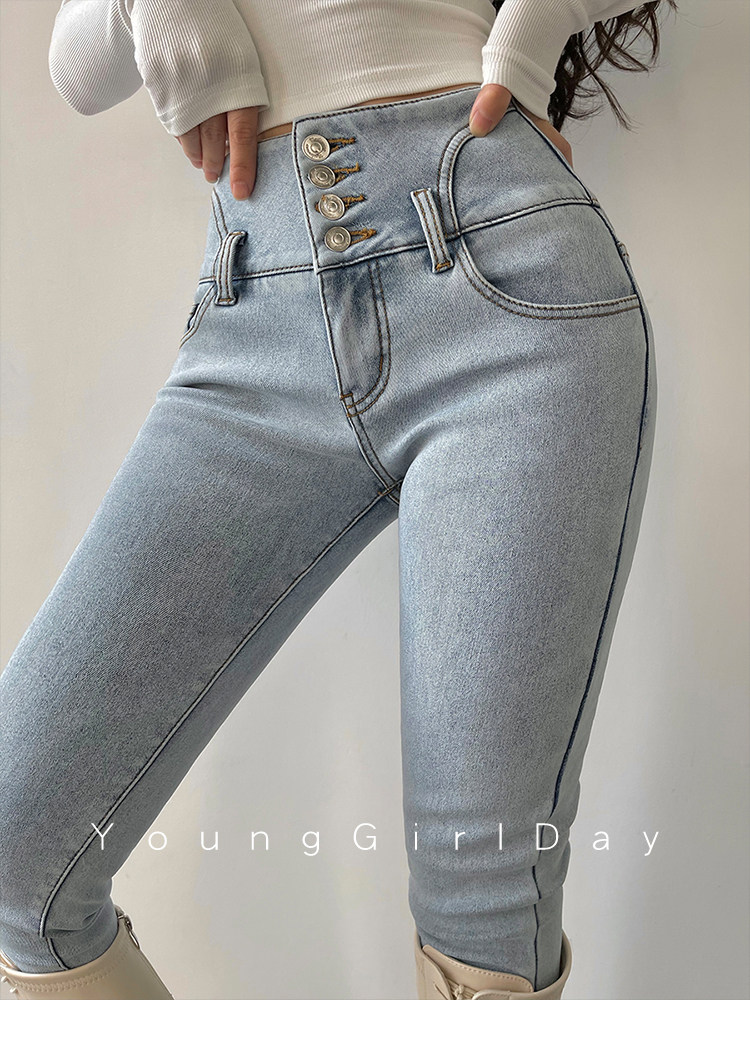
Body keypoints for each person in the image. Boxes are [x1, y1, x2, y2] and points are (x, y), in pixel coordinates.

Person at [0, 0, 675, 1000]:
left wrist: (529, 45)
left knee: (481, 900)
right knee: (20, 851)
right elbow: (78, 69)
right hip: (253, 320)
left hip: (504, 287)